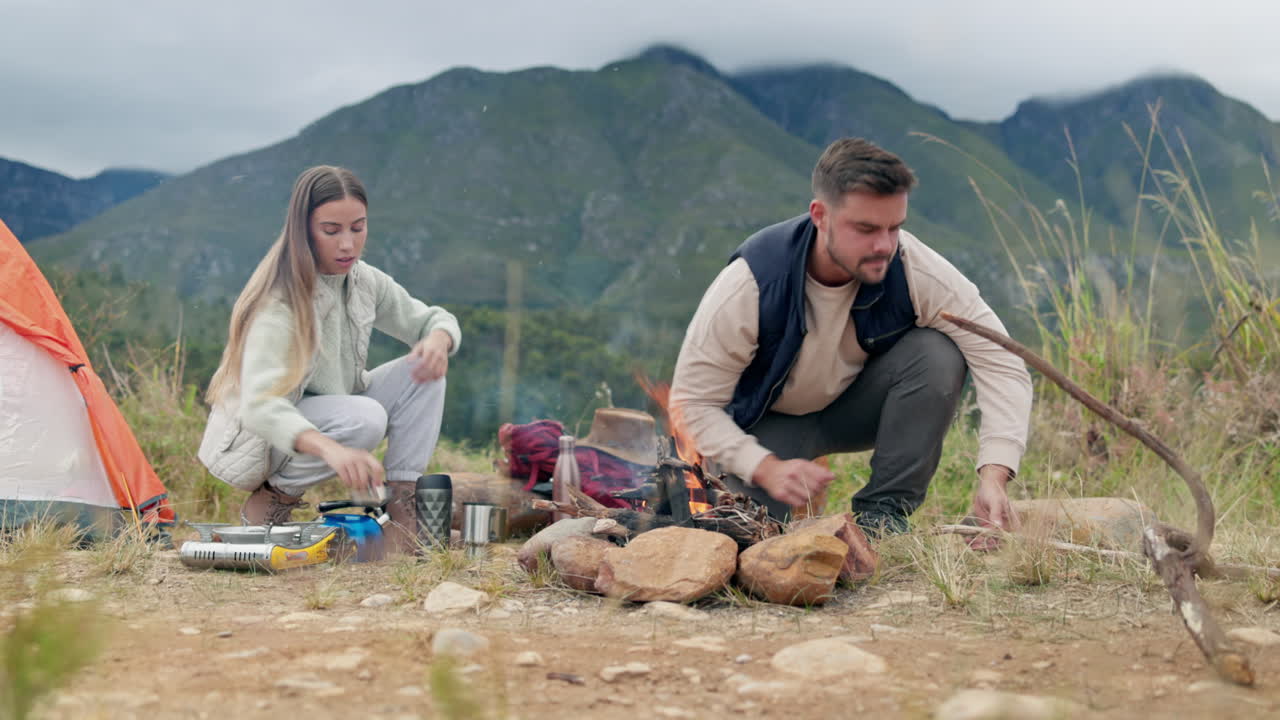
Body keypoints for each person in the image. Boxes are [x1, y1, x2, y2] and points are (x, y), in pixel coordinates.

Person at [669, 138, 1032, 545]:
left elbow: (1001, 358)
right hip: (764, 427)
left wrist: (995, 475)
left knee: (937, 353)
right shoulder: (751, 284)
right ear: (820, 216)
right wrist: (765, 466)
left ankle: (883, 515)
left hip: (854, 406)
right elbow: (692, 403)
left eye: (895, 228)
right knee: (751, 537)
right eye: (865, 229)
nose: (884, 246)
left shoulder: (913, 268)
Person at [198, 165, 460, 554]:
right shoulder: (279, 302)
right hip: (261, 439)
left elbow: (430, 320)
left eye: (358, 227)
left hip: (333, 412)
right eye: (331, 230)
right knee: (365, 417)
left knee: (425, 373)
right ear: (303, 230)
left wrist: (438, 339)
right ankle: (272, 501)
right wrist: (331, 449)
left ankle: (402, 512)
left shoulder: (364, 281)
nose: (347, 245)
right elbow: (259, 407)